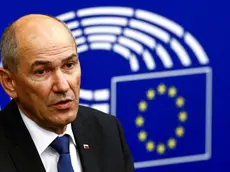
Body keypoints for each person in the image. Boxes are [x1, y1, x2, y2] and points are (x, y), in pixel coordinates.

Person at [0, 14, 134, 172]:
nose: (63, 86)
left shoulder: (107, 130)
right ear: (9, 82)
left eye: (69, 65)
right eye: (42, 71)